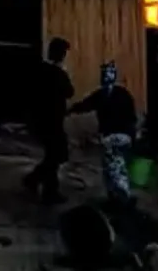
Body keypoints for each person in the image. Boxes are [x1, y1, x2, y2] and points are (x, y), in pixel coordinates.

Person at [69, 61, 137, 205]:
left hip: (113, 135)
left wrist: (69, 111)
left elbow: (84, 105)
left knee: (113, 165)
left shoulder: (103, 95)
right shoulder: (122, 94)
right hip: (124, 135)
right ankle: (118, 194)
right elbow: (133, 117)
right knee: (115, 164)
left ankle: (120, 195)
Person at [24, 36, 74, 202]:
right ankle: (47, 190)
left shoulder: (39, 69)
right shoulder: (58, 74)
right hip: (52, 121)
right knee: (57, 154)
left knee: (54, 155)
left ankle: (36, 180)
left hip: (40, 120)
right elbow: (69, 92)